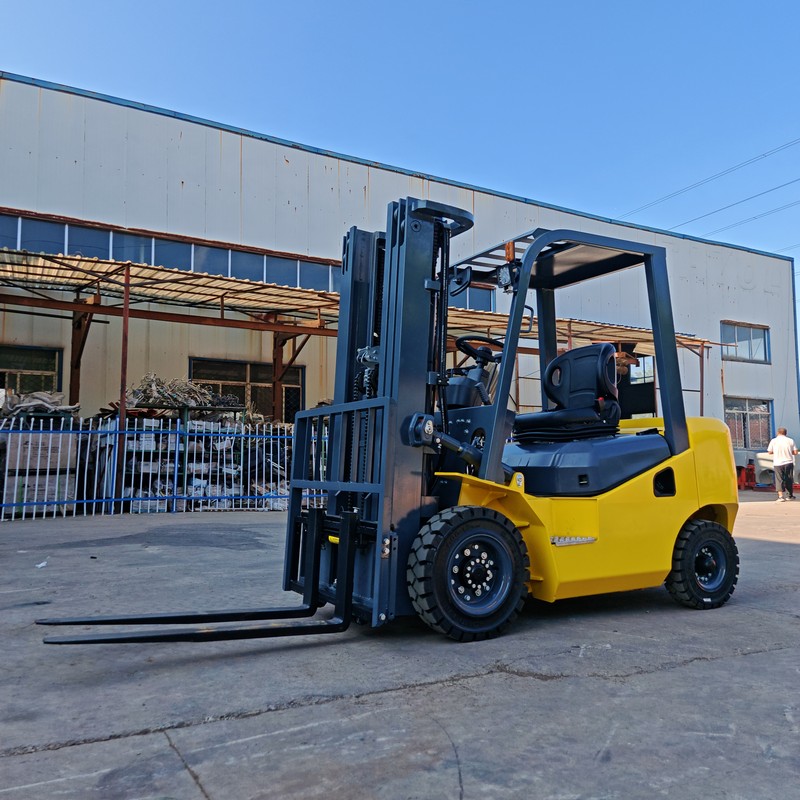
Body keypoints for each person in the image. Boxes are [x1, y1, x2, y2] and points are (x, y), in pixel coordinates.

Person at [767, 427, 798, 502]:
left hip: (778, 463)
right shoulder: (790, 440)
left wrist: (776, 451)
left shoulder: (774, 441)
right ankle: (790, 495)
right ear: (786, 433)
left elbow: (769, 452)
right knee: (789, 478)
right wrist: (789, 452)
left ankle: (780, 496)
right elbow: (795, 452)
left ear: (778, 433)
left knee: (779, 479)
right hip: (788, 462)